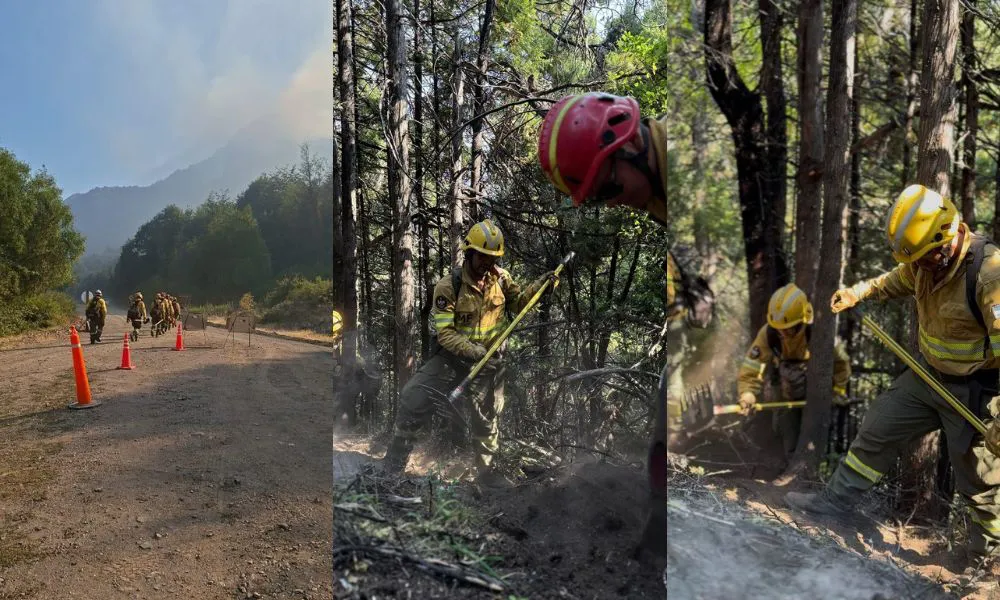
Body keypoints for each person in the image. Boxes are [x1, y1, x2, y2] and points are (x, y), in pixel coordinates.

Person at [784, 184, 1000, 575]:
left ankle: (987, 557)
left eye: (922, 259)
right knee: (878, 427)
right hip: (927, 377)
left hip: (976, 390)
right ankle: (835, 505)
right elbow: (893, 280)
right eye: (913, 261)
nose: (917, 267)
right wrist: (857, 293)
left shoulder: (989, 274)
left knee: (979, 478)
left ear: (945, 239)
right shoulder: (922, 264)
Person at [538, 91, 713, 558]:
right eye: (597, 200)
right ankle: (661, 534)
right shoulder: (656, 179)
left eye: (608, 189)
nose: (612, 204)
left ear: (629, 143)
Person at [381, 219, 557, 485]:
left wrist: (541, 287)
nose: (488, 263)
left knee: (487, 418)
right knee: (412, 397)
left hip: (489, 362)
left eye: (493, 258)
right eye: (483, 257)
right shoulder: (448, 286)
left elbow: (520, 303)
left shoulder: (502, 279)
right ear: (469, 253)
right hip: (452, 358)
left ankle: (487, 475)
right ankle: (392, 468)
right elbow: (446, 334)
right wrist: (471, 350)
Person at [737, 283, 851, 457]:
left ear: (802, 321)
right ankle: (789, 462)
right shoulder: (768, 334)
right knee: (786, 427)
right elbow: (751, 366)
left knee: (815, 430)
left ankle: (813, 465)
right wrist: (747, 393)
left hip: (815, 388)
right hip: (785, 389)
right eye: (779, 329)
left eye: (788, 329)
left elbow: (841, 363)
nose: (782, 333)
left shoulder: (819, 331)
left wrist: (838, 390)